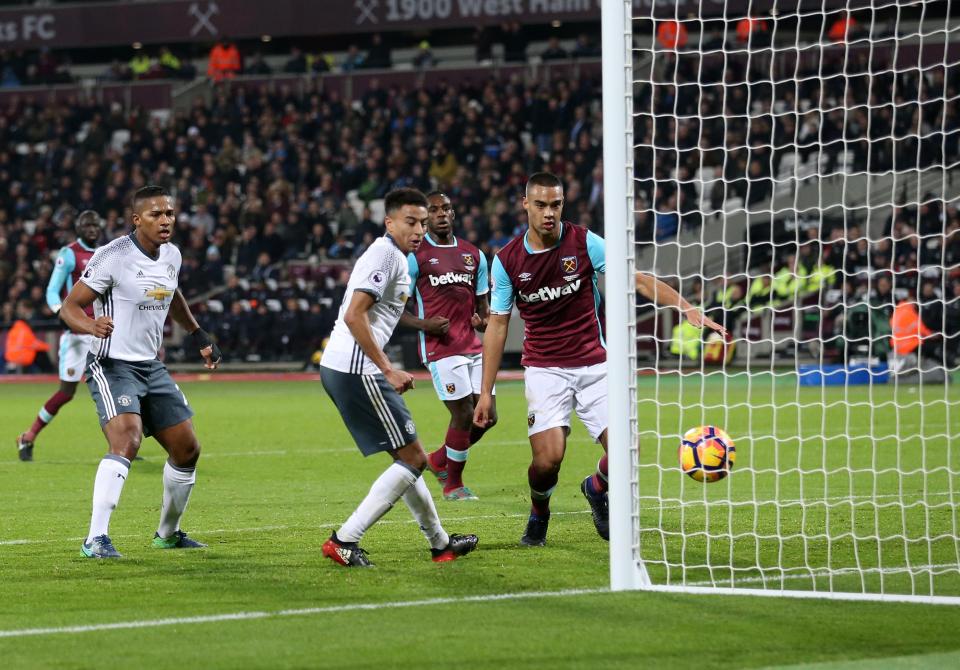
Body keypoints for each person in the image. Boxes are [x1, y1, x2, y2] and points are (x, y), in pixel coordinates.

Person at [473, 172, 725, 546]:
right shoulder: (508, 260)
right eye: (540, 204)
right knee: (547, 462)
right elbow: (496, 326)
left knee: (628, 450)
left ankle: (595, 486)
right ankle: (539, 512)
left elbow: (636, 279)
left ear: (563, 204)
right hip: (545, 368)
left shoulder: (583, 242)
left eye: (555, 205)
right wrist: (486, 392)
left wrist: (686, 307)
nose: (548, 213)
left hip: (595, 364)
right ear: (525, 204)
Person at [60, 186, 223, 559]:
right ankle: (95, 539)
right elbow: (70, 307)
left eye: (169, 213)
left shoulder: (172, 255)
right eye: (156, 214)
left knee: (187, 449)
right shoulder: (113, 256)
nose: (165, 220)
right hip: (111, 364)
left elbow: (173, 293)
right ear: (137, 219)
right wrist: (91, 326)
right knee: (127, 441)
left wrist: (198, 332)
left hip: (150, 365)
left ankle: (167, 534)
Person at [319, 188, 478, 567]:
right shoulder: (385, 255)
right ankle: (343, 540)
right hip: (359, 370)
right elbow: (354, 315)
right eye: (411, 221)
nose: (419, 229)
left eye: (423, 222)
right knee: (414, 459)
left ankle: (440, 545)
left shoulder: (399, 259)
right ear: (389, 222)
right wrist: (387, 368)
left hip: (349, 368)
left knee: (410, 457)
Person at [401, 192, 495, 500]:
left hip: (472, 345)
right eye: (435, 210)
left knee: (488, 416)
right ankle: (453, 483)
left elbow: (482, 304)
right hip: (440, 347)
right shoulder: (416, 256)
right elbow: (394, 308)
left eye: (447, 208)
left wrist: (482, 318)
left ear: (453, 214)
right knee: (465, 412)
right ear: (427, 217)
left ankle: (440, 459)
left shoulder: (474, 255)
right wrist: (423, 325)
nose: (442, 214)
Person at [15, 211, 102, 461]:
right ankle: (28, 436)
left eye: (96, 224)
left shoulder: (106, 252)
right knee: (66, 392)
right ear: (78, 228)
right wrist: (59, 312)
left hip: (101, 332)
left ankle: (127, 442)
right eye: (87, 225)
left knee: (119, 385)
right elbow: (53, 290)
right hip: (76, 334)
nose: (92, 228)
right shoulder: (69, 254)